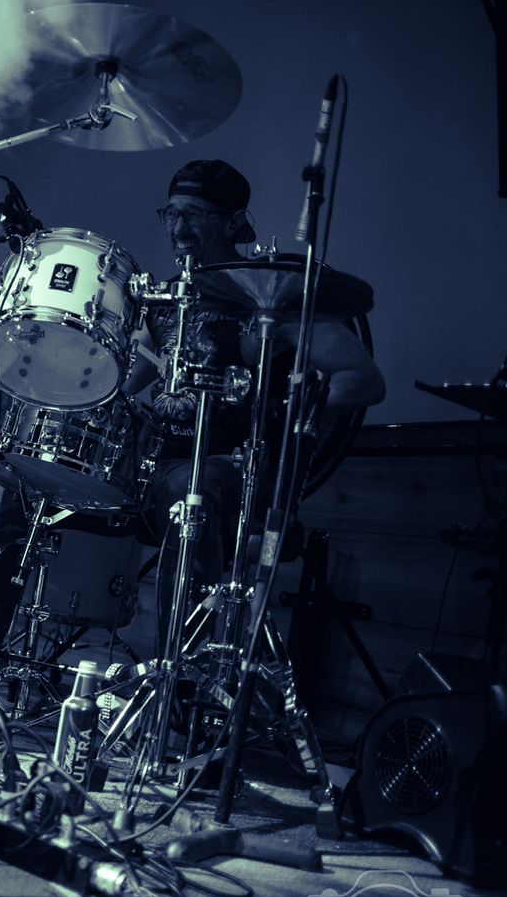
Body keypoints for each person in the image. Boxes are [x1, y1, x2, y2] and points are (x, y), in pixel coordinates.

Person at [132, 158, 385, 649]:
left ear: (233, 223)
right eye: (171, 214)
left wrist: (282, 415)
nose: (178, 229)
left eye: (194, 215)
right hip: (156, 464)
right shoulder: (166, 297)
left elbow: (363, 381)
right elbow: (122, 382)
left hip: (235, 471)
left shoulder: (269, 296)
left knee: (190, 490)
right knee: (34, 471)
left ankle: (178, 675)